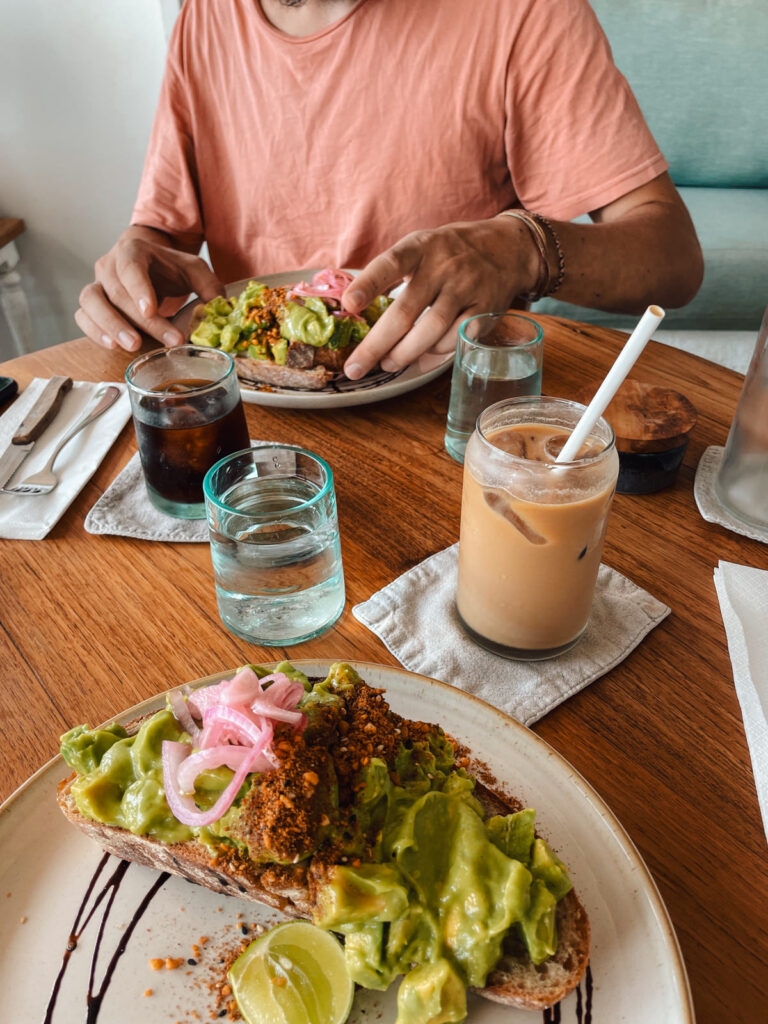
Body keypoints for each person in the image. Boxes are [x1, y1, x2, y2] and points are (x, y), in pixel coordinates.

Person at [76, 0, 703, 380]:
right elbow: (162, 233)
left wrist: (524, 249)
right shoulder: (204, 18)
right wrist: (137, 254)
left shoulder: (522, 13)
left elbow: (673, 258)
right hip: (255, 424)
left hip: (446, 418)